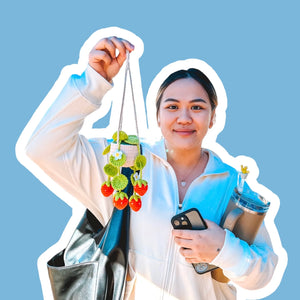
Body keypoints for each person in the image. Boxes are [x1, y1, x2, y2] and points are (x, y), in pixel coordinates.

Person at [23, 36, 278, 299]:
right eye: (172, 106)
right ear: (157, 115)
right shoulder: (123, 162)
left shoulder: (232, 187)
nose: (184, 117)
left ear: (213, 117)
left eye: (197, 107)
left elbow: (264, 272)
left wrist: (223, 248)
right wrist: (93, 81)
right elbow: (42, 148)